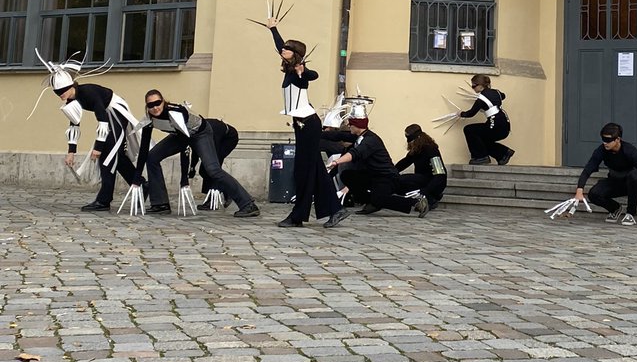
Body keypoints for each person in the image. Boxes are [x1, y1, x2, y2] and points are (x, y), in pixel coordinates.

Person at [266, 18, 351, 228]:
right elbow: (279, 46)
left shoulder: (298, 71)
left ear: (294, 54)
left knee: (304, 169)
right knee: (313, 169)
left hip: (308, 124)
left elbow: (313, 76)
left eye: (287, 49)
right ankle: (332, 210)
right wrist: (273, 28)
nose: (282, 50)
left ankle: (299, 215)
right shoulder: (288, 68)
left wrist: (303, 72)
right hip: (301, 124)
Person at [133, 89, 260, 217]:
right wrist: (136, 178)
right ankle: (160, 204)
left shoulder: (176, 112)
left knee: (213, 170)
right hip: (180, 135)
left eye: (157, 103)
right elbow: (144, 149)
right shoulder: (148, 121)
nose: (155, 107)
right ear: (147, 107)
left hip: (201, 133)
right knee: (152, 157)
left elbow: (185, 146)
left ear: (163, 102)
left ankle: (248, 204)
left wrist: (184, 180)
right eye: (150, 105)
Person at [49, 67, 140, 212]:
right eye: (57, 93)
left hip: (116, 113)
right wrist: (71, 152)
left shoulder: (89, 93)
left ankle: (104, 201)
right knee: (117, 157)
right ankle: (141, 185)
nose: (60, 95)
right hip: (108, 117)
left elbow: (102, 119)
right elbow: (74, 124)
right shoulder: (70, 101)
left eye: (62, 91)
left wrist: (98, 147)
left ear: (71, 86)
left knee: (107, 157)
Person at [324, 113, 423, 217]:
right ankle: (371, 202)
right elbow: (339, 135)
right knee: (347, 176)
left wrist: (336, 162)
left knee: (379, 199)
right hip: (372, 176)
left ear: (358, 126)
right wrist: (318, 133)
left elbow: (355, 153)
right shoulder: (359, 136)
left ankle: (416, 203)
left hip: (386, 177)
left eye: (351, 124)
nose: (349, 126)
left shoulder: (370, 140)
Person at [573, 122, 637, 226]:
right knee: (593, 194)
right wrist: (579, 190)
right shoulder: (601, 150)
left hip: (633, 183)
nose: (605, 143)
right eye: (603, 140)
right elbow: (588, 169)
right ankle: (614, 208)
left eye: (608, 140)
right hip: (615, 182)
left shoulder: (630, 151)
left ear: (617, 139)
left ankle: (630, 213)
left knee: (635, 176)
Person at [459, 74, 514, 165]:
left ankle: (480, 157)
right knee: (480, 139)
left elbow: (471, 113)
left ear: (480, 86)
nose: (473, 88)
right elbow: (503, 96)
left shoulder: (482, 98)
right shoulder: (497, 92)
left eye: (474, 86)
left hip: (495, 125)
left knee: (469, 130)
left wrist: (460, 114)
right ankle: (503, 153)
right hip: (505, 124)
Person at [395, 124, 447, 216]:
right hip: (422, 179)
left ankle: (431, 198)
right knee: (399, 180)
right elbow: (405, 162)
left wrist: (427, 190)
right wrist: (391, 171)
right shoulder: (417, 150)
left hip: (433, 181)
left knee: (403, 180)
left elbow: (440, 174)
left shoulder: (431, 150)